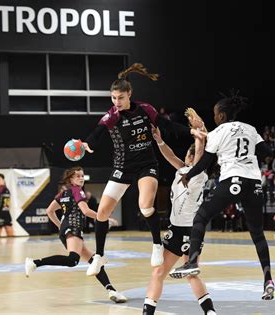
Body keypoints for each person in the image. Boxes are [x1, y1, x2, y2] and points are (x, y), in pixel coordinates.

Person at [81, 63, 205, 276]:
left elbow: (167, 127)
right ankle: (99, 256)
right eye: (113, 98)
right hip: (122, 167)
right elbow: (97, 132)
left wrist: (192, 131)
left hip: (146, 165)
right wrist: (87, 144)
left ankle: (157, 244)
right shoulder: (112, 116)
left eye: (120, 97)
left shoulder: (146, 110)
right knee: (101, 213)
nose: (116, 102)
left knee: (145, 205)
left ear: (129, 94)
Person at [168, 92, 275, 300]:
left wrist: (188, 175)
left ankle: (192, 262)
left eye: (216, 115)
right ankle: (268, 279)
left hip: (231, 180)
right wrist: (248, 154)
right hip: (253, 183)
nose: (215, 118)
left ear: (223, 116)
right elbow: (268, 151)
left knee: (201, 217)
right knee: (257, 234)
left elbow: (204, 163)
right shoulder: (251, 129)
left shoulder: (218, 132)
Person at [142, 120, 216, 315]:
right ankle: (210, 312)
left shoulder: (197, 174)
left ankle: (147, 312)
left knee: (158, 273)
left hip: (180, 230)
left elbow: (199, 155)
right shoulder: (184, 170)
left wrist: (199, 136)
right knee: (191, 275)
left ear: (191, 157)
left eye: (188, 154)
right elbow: (170, 156)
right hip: (193, 231)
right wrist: (159, 141)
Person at [24, 167, 126, 303]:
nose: (81, 178)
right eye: (77, 176)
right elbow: (85, 211)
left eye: (82, 175)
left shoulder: (64, 193)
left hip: (68, 228)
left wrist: (61, 228)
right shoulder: (78, 191)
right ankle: (35, 263)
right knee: (73, 260)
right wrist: (105, 218)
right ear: (71, 179)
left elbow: (49, 211)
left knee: (94, 261)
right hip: (73, 227)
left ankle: (111, 290)